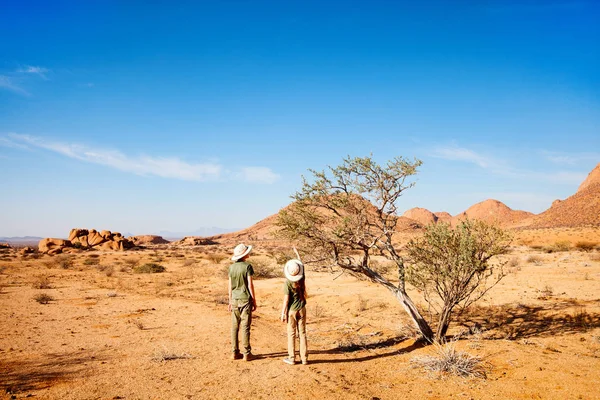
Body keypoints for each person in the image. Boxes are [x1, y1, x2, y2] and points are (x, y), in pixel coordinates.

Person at [228, 243, 257, 361]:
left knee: (234, 326)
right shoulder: (247, 266)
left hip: (234, 299)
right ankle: (246, 353)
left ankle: (234, 352)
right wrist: (254, 299)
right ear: (244, 255)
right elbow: (250, 284)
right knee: (245, 327)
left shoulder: (231, 267)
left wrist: (230, 300)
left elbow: (229, 286)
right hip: (245, 299)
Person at [280, 259, 308, 365]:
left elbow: (286, 300)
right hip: (302, 308)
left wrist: (283, 313)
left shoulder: (287, 283)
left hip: (292, 311)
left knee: (291, 334)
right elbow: (303, 267)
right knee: (302, 333)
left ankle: (292, 358)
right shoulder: (302, 279)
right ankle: (304, 358)